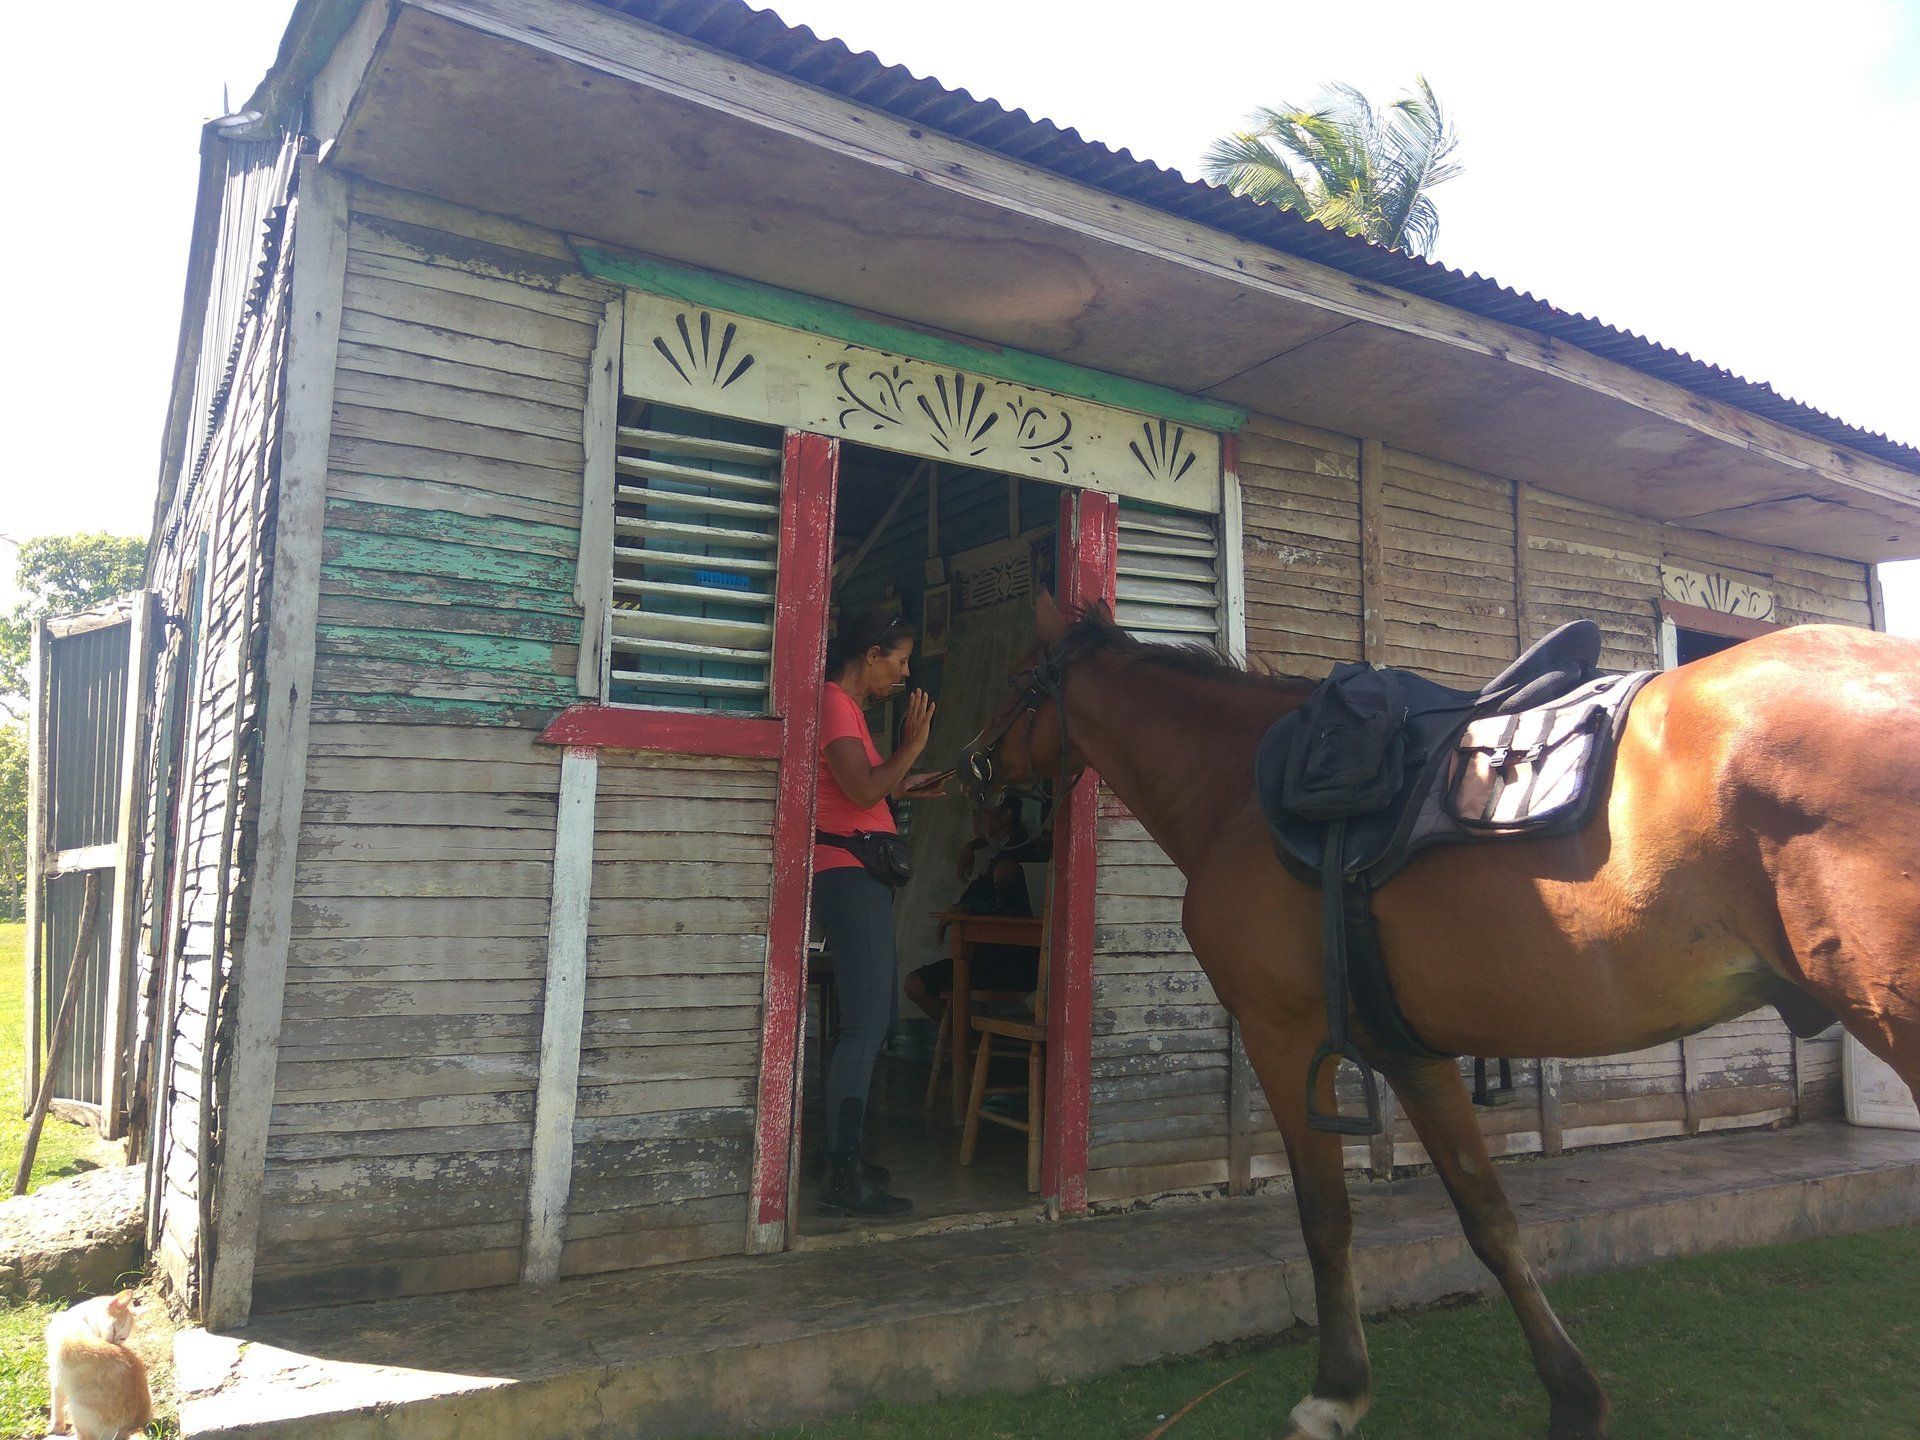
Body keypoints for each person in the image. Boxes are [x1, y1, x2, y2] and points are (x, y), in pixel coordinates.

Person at [812, 606, 948, 1218]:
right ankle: (843, 1175)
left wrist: (912, 778)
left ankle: (845, 1154)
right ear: (871, 655)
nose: (904, 672)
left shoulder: (850, 711)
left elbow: (871, 786)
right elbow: (863, 790)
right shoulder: (833, 704)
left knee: (873, 1016)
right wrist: (912, 746)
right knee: (867, 1024)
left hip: (857, 872)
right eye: (900, 660)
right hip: (846, 874)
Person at [903, 798, 1045, 1020]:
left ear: (1006, 816)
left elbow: (1008, 908)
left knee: (915, 984)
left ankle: (965, 1043)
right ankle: (966, 1042)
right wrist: (971, 846)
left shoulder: (1010, 863)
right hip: (999, 961)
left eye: (984, 811)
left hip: (1007, 966)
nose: (975, 817)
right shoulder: (1010, 849)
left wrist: (964, 909)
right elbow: (995, 840)